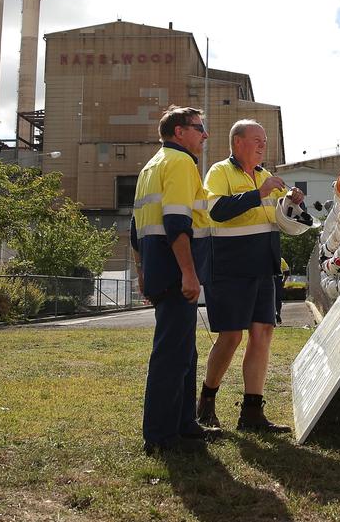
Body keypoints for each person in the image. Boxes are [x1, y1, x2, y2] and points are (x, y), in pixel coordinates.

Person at [198, 120, 301, 433]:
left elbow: (276, 219)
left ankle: (252, 413)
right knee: (230, 337)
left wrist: (291, 204)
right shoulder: (219, 172)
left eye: (265, 140)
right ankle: (206, 404)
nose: (262, 145)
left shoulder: (265, 176)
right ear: (237, 142)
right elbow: (216, 211)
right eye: (257, 139)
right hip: (229, 269)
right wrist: (260, 193)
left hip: (263, 268)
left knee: (263, 334)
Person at [131, 107, 215, 457]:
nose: (205, 135)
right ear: (179, 132)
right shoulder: (181, 164)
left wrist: (142, 272)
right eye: (199, 128)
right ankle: (161, 436)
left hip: (159, 267)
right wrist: (189, 272)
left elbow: (136, 230)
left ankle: (183, 424)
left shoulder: (152, 165)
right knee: (171, 354)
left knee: (184, 351)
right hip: (177, 269)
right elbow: (176, 222)